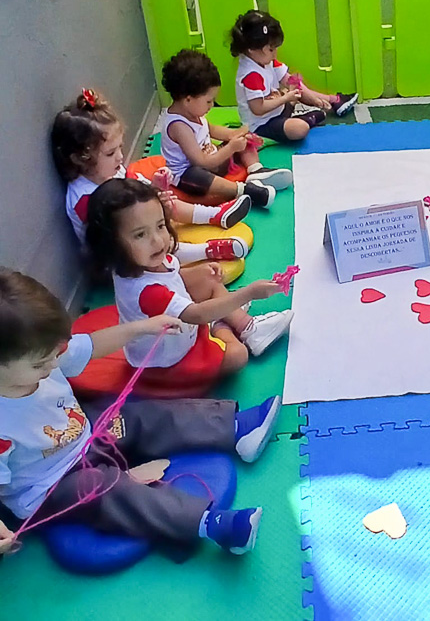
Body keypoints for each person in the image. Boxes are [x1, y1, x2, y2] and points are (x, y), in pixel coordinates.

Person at [0, 268, 281, 556]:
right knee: (104, 488)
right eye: (40, 365)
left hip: (85, 434)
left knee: (135, 417)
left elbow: (92, 346)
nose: (52, 366)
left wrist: (142, 328)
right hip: (51, 486)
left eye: (54, 355)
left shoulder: (44, 356)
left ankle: (234, 428)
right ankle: (211, 524)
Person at [86, 179, 294, 378]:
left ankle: (247, 327)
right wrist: (249, 293)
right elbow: (196, 314)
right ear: (112, 244)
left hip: (179, 325)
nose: (158, 240)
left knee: (208, 277)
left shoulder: (140, 260)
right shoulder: (148, 292)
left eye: (160, 226)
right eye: (140, 235)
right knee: (238, 355)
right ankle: (220, 325)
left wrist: (201, 272)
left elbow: (171, 278)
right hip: (170, 359)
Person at [52, 88, 252, 264]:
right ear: (81, 159)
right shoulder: (86, 199)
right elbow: (118, 237)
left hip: (134, 230)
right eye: (111, 153)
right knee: (157, 239)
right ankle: (206, 251)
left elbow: (132, 188)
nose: (120, 157)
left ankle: (213, 215)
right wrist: (153, 214)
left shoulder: (109, 172)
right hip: (118, 259)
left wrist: (155, 188)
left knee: (164, 202)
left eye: (120, 147)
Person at [160, 49, 293, 206]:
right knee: (197, 176)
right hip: (193, 173)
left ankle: (256, 170)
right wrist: (231, 148)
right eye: (209, 101)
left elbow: (212, 130)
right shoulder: (179, 126)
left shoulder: (193, 111)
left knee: (243, 140)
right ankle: (245, 191)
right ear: (188, 99)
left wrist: (236, 134)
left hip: (213, 159)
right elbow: (201, 162)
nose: (211, 105)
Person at [230, 10, 358, 143]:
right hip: (261, 124)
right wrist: (285, 98)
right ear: (252, 49)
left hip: (278, 111)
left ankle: (331, 101)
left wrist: (314, 99)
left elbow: (289, 80)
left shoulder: (266, 61)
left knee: (295, 86)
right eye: (271, 50)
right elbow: (258, 109)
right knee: (299, 129)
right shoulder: (251, 74)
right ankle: (306, 118)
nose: (275, 54)